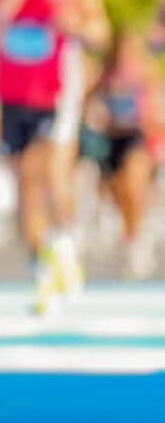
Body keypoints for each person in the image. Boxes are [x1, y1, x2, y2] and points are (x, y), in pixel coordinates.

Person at [0, 0, 109, 314]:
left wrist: (72, 23)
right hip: (11, 89)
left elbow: (100, 32)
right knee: (24, 179)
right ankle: (41, 265)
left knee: (50, 170)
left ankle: (66, 246)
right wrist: (0, 19)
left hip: (58, 86)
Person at [87, 27, 159, 279]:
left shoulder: (146, 73)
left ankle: (137, 241)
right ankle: (130, 238)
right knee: (120, 194)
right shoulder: (106, 73)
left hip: (137, 138)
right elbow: (89, 99)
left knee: (133, 187)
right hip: (111, 139)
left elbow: (155, 109)